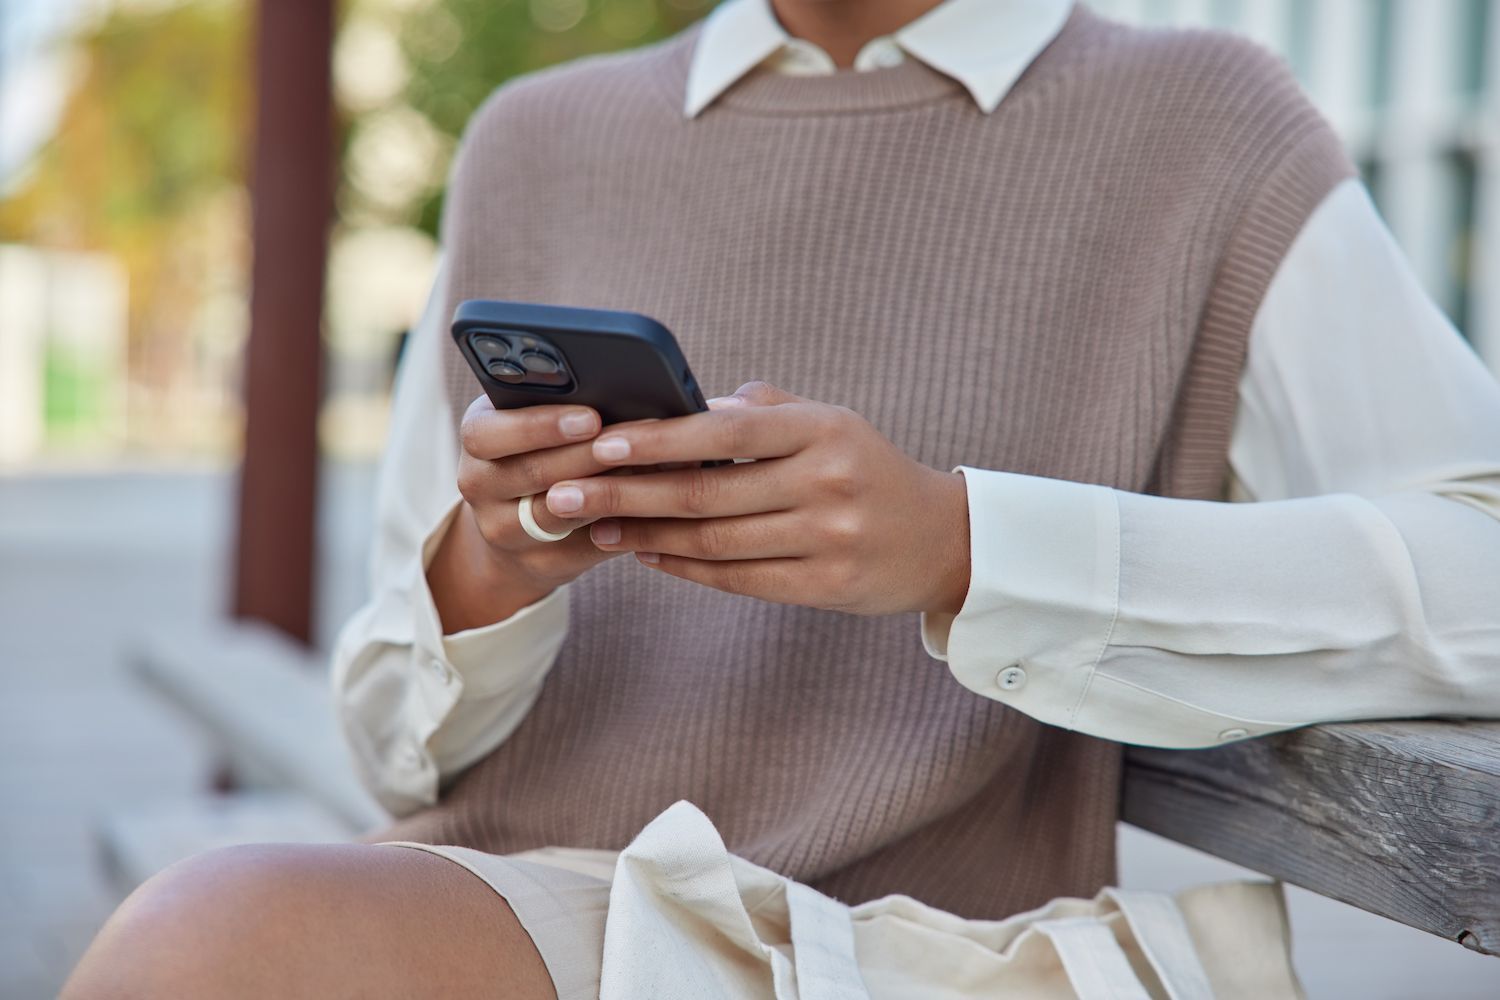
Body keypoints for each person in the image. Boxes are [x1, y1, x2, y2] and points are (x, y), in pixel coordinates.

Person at [66, 0, 1500, 996]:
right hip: (512, 905)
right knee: (215, 940)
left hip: (903, 946)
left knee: (211, 942)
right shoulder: (537, 138)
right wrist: (492, 571)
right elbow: (393, 753)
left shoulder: (1203, 126)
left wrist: (962, 546)